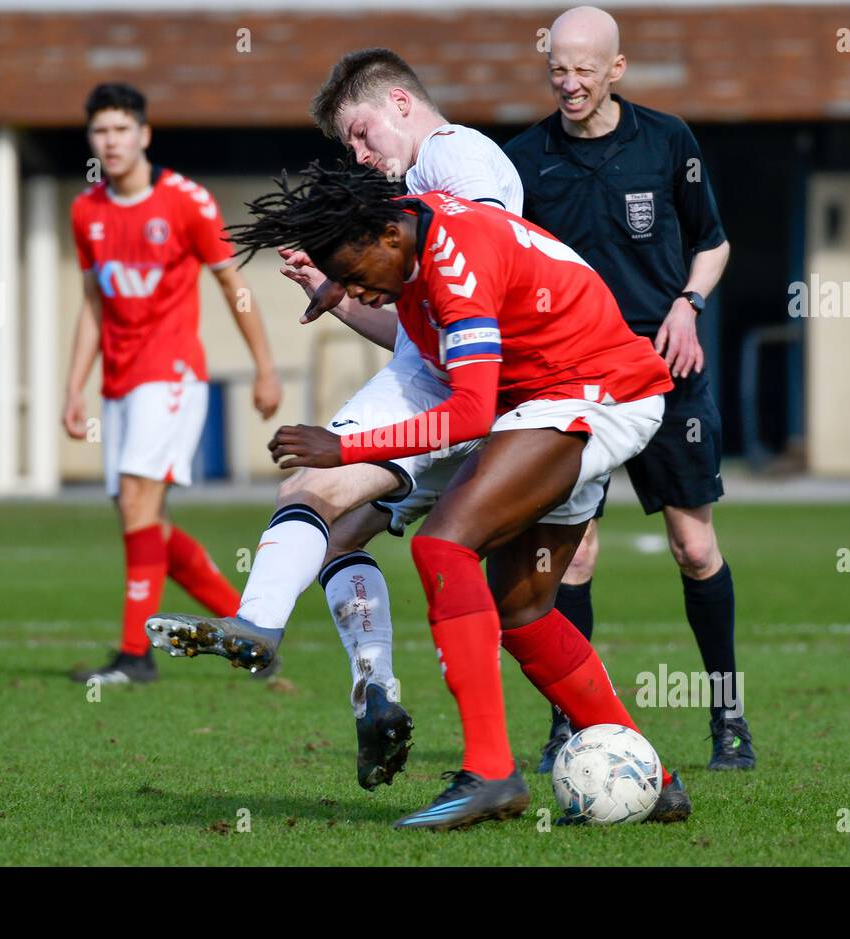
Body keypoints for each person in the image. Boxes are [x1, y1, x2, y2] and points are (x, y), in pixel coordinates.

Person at [158, 161, 693, 830]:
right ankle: (658, 782)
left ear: (389, 233)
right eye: (343, 281)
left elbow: (469, 414)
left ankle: (490, 774)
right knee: (523, 611)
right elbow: (448, 353)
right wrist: (343, 287)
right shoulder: (408, 229)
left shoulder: (453, 260)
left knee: (444, 544)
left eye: (357, 274)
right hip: (552, 399)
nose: (356, 289)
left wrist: (345, 448)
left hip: (592, 395)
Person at [148, 49, 523, 791]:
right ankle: (373, 691)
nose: (357, 154)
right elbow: (421, 331)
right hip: (464, 396)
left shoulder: (453, 155)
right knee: (334, 539)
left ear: (402, 106)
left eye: (360, 133)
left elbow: (476, 278)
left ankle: (256, 624)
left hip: (452, 396)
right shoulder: (423, 193)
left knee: (307, 494)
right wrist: (345, 291)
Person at [505, 7, 753, 770]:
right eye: (558, 68)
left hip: (665, 374)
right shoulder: (523, 160)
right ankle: (570, 722)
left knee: (692, 544)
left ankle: (729, 719)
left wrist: (689, 305)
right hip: (572, 381)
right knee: (573, 559)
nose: (568, 81)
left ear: (616, 69)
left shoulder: (668, 141)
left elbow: (712, 244)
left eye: (584, 68)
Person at [63, 82, 281, 685]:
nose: (110, 142)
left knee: (138, 503)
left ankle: (136, 656)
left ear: (143, 134)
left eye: (120, 130)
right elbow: (92, 306)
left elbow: (231, 285)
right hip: (118, 381)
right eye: (100, 132)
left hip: (172, 375)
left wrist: (264, 365)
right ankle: (246, 628)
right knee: (143, 520)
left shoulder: (186, 201)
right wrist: (73, 388)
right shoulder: (87, 211)